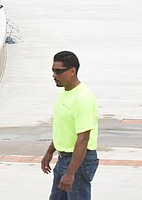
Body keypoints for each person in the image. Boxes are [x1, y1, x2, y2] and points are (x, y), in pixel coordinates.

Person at [41, 51, 99, 200]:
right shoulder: (66, 93)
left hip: (78, 162)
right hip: (64, 159)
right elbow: (65, 130)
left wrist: (71, 172)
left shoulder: (82, 98)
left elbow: (83, 139)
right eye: (53, 70)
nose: (54, 75)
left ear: (72, 71)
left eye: (58, 71)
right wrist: (49, 152)